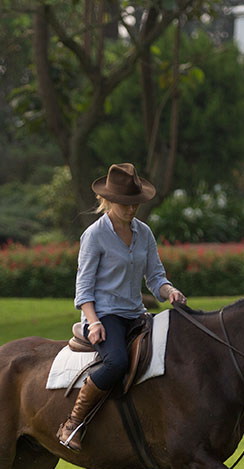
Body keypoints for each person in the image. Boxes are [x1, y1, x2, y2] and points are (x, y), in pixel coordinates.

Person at [57, 162, 187, 451]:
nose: (131, 210)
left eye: (135, 204)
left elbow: (155, 277)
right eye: (125, 204)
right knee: (117, 362)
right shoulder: (94, 235)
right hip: (104, 314)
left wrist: (171, 291)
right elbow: (83, 288)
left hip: (136, 313)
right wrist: (94, 322)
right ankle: (73, 422)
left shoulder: (144, 233)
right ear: (108, 200)